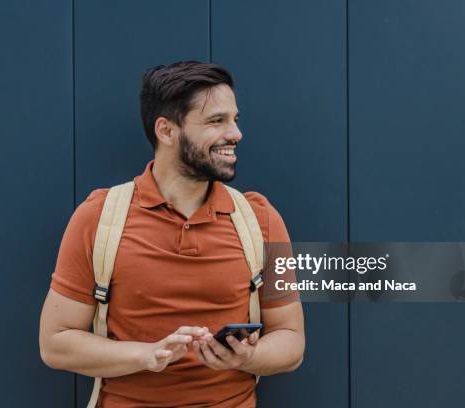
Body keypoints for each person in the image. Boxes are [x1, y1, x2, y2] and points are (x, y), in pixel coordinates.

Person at [39, 61, 305, 407]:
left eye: (234, 120)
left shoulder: (261, 219)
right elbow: (55, 343)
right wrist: (147, 356)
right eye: (216, 121)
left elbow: (291, 340)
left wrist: (245, 358)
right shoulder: (98, 217)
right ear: (166, 131)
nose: (236, 134)